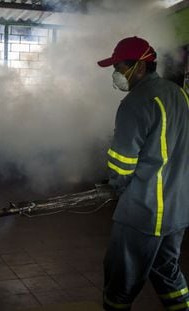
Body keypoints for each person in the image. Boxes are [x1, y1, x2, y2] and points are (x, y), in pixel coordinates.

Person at [97, 36, 189, 310]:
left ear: (139, 66)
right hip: (178, 209)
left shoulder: (136, 102)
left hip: (144, 212)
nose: (116, 72)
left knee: (120, 280)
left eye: (120, 66)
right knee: (166, 270)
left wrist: (118, 187)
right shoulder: (180, 94)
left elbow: (122, 163)